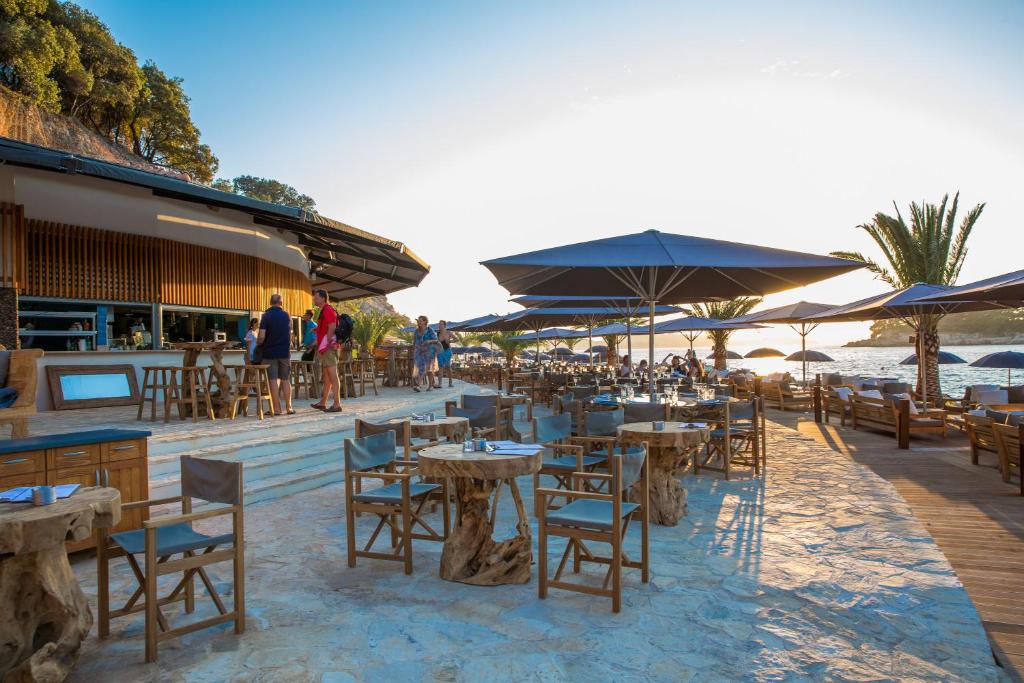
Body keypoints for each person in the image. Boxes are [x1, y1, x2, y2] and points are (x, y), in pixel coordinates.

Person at [257, 293, 293, 415]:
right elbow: (290, 333)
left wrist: (258, 343)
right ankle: (289, 408)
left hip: (270, 353)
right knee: (285, 379)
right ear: (281, 303)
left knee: (273, 380)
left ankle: (276, 409)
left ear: (270, 302)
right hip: (285, 353)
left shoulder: (266, 316)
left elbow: (261, 336)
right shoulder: (287, 316)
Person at [311, 290, 342, 413]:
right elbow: (328, 326)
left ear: (323, 298)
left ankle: (337, 404)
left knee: (333, 375)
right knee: (327, 376)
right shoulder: (324, 310)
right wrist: (318, 330)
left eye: (316, 298)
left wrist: (327, 342)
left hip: (329, 347)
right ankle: (323, 402)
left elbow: (332, 326)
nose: (314, 300)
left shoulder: (327, 309)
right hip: (327, 347)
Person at [412, 315, 440, 392]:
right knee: (421, 368)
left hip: (430, 352)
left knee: (429, 370)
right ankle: (418, 386)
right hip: (419, 352)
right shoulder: (416, 331)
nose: (418, 322)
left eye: (420, 320)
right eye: (418, 321)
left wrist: (429, 341)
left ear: (425, 322)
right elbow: (414, 341)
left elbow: (436, 340)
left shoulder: (430, 330)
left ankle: (430, 386)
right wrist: (414, 350)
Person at [435, 320, 457, 388]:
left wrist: (450, 341)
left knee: (448, 367)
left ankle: (450, 383)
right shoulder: (437, 333)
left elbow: (456, 339)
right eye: (439, 324)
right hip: (440, 352)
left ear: (444, 325)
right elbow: (436, 342)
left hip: (447, 351)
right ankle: (440, 384)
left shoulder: (448, 332)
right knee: (440, 367)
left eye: (441, 324)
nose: (439, 326)